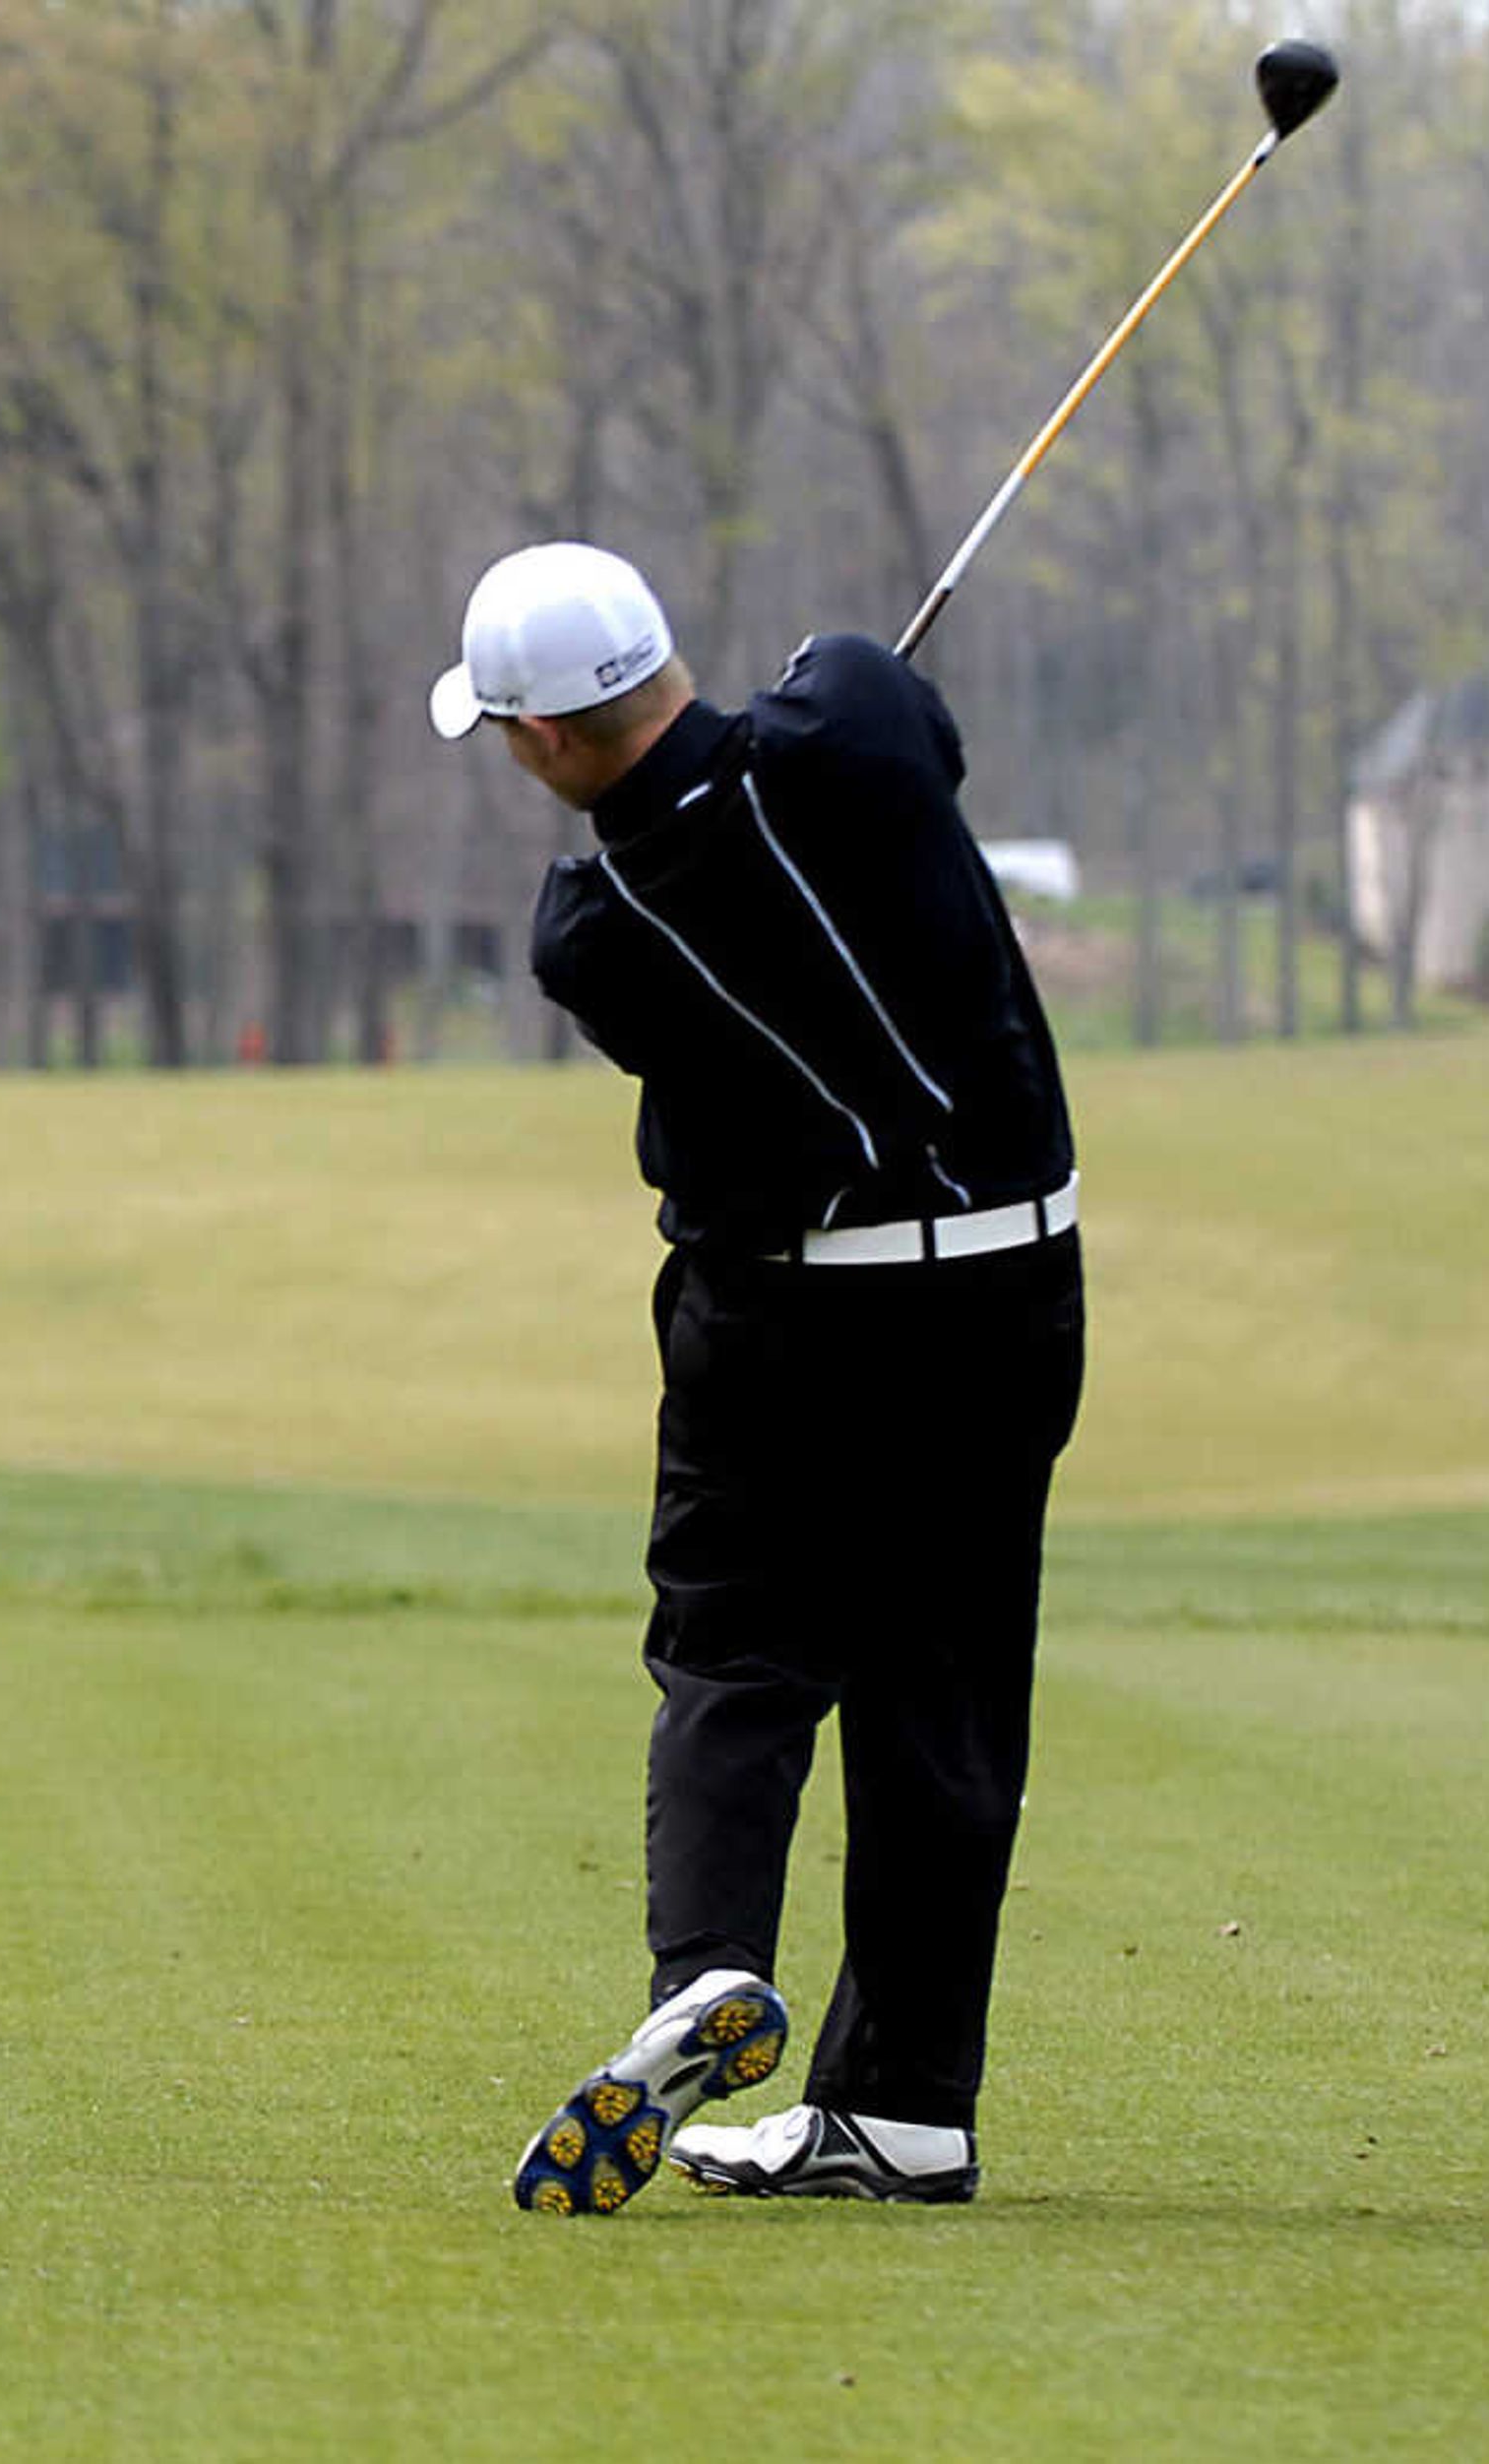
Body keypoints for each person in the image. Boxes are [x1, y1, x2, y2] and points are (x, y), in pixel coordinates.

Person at [429, 542, 1086, 2212]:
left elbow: (709, 892)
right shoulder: (857, 703)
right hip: (1014, 1283)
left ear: (548, 741)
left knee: (736, 1652)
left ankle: (705, 1971)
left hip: (793, 1322)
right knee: (943, 1697)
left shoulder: (593, 927)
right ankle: (908, 2109)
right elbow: (892, 740)